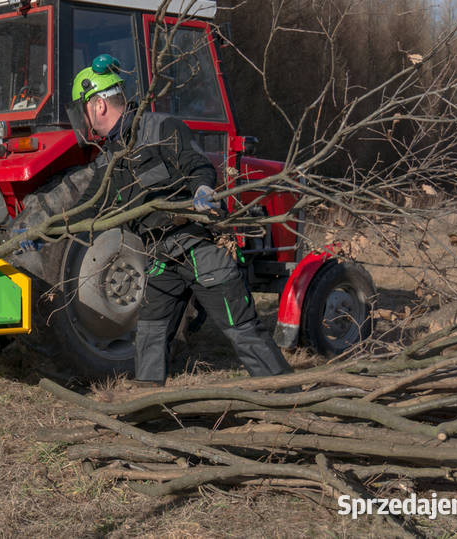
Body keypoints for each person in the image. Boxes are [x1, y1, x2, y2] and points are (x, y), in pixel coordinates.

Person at [67, 54, 293, 386]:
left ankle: (287, 399)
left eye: (83, 108)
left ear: (99, 105)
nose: (83, 118)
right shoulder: (111, 158)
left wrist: (202, 189)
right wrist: (43, 232)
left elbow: (198, 166)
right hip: (161, 257)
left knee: (242, 330)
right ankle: (147, 402)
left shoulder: (160, 128)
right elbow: (87, 207)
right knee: (150, 331)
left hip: (196, 246)